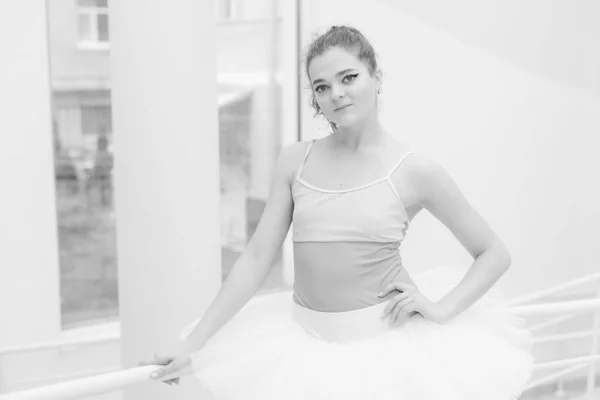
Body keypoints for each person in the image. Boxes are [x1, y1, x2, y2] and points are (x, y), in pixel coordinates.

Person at [141, 25, 533, 399]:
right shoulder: (295, 160)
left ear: (376, 77)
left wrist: (441, 309)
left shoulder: (415, 170)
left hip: (387, 356)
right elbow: (258, 256)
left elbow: (494, 254)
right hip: (303, 350)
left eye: (349, 78)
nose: (337, 94)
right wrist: (192, 344)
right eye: (322, 87)